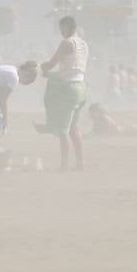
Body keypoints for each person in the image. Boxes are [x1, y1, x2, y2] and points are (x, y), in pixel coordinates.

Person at [40, 16, 90, 171]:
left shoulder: (67, 43)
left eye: (61, 29)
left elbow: (52, 63)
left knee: (63, 130)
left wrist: (42, 67)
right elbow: (73, 68)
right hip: (81, 88)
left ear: (68, 27)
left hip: (69, 90)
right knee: (74, 128)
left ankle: (64, 165)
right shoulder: (83, 44)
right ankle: (80, 163)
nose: (60, 32)